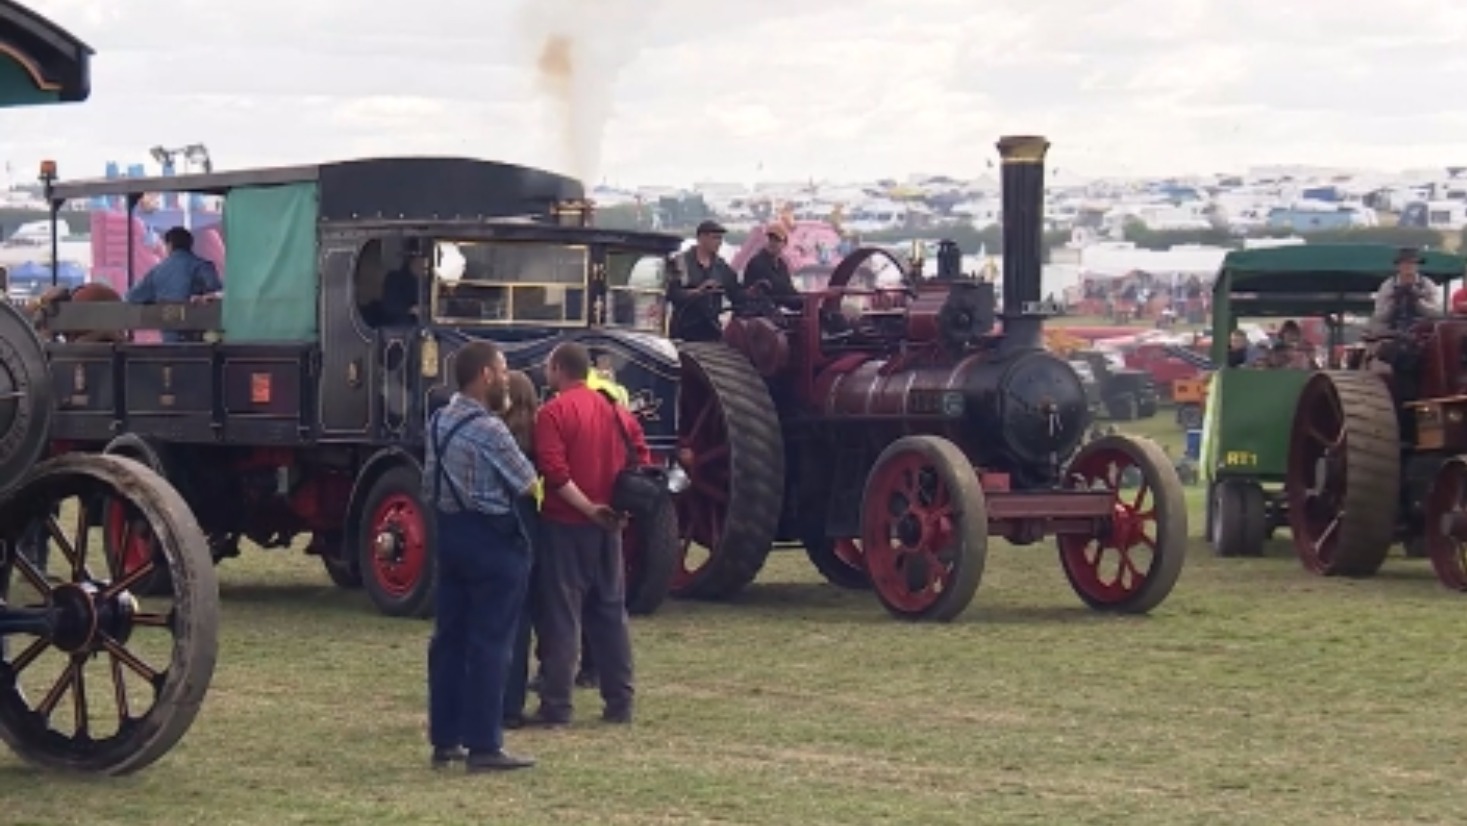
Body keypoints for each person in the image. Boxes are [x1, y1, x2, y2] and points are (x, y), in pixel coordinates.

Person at [422, 340, 538, 772]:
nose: (506, 377)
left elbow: (429, 484)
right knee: (491, 643)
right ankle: (485, 744)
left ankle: (445, 737)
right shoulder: (491, 429)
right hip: (491, 540)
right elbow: (528, 483)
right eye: (503, 369)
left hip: (450, 535)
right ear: (486, 375)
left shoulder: (437, 421)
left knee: (448, 641)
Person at [527, 342, 649, 726]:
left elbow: (554, 472)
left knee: (562, 616)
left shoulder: (552, 413)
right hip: (609, 525)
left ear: (559, 369)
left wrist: (587, 509)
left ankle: (557, 705)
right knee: (610, 613)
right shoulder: (615, 410)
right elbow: (641, 460)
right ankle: (619, 702)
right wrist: (618, 510)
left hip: (565, 523)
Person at [500, 370, 543, 731]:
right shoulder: (539, 435)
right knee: (522, 619)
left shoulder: (495, 435)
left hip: (499, 524)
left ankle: (490, 699)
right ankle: (512, 702)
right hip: (530, 528)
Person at [125, 226, 223, 342]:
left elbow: (133, 297)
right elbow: (217, 293)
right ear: (190, 245)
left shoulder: (157, 272)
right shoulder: (203, 266)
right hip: (199, 341)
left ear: (169, 246)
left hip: (169, 341)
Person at [667, 220, 743, 341]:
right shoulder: (681, 262)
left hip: (711, 330)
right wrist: (698, 291)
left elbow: (736, 294)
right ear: (701, 238)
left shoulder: (721, 266)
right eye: (715, 238)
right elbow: (672, 294)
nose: (719, 243)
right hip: (684, 329)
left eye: (720, 239)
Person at [1371, 247, 1440, 332]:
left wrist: (1418, 301)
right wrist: (1393, 302)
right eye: (1405, 264)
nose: (1408, 267)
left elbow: (1436, 313)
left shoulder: (1427, 284)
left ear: (1417, 266)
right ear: (1399, 266)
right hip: (1393, 332)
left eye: (1412, 264)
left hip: (1421, 333)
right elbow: (1379, 316)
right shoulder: (1388, 285)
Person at [741, 224, 802, 310]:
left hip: (771, 308)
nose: (772, 243)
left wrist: (804, 300)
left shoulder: (781, 265)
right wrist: (799, 300)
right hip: (755, 311)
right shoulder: (758, 262)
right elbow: (778, 288)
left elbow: (788, 288)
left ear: (785, 244)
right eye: (770, 239)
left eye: (777, 240)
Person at [378, 250, 428, 326]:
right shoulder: (394, 277)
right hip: (400, 327)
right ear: (413, 259)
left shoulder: (429, 283)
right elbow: (389, 305)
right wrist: (411, 309)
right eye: (421, 259)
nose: (424, 264)